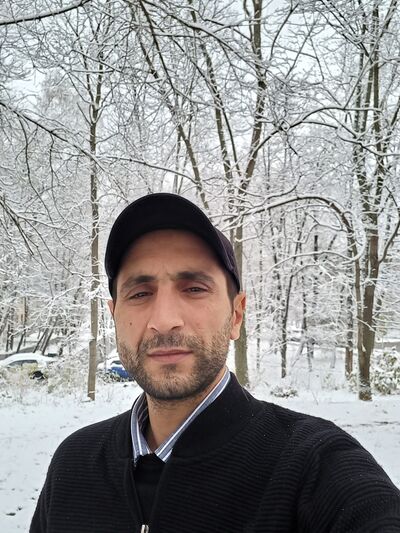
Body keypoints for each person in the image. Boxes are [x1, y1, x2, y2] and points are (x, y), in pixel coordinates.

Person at [30, 193, 400, 533]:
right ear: (114, 315)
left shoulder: (315, 466)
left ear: (236, 315)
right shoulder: (72, 465)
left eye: (194, 289)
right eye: (140, 293)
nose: (164, 320)